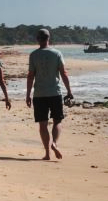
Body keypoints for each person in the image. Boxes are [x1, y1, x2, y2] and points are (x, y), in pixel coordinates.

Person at [25, 28, 74, 160]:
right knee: (57, 121)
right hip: (55, 92)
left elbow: (30, 76)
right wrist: (69, 91)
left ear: (37, 39)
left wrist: (28, 94)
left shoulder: (33, 55)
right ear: (49, 38)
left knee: (43, 124)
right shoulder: (57, 53)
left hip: (39, 94)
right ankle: (54, 143)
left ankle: (47, 153)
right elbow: (64, 73)